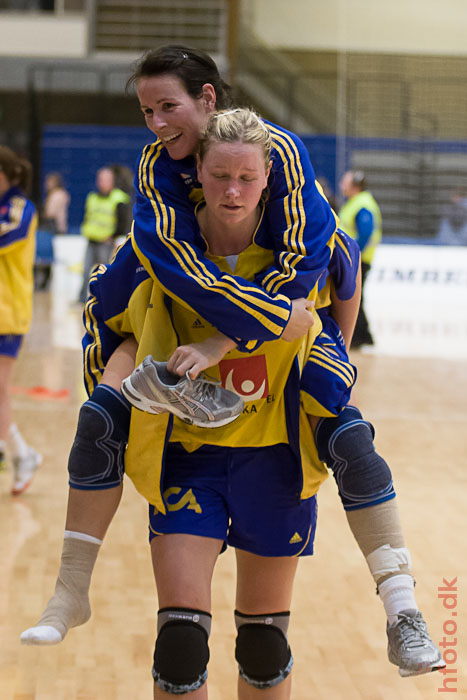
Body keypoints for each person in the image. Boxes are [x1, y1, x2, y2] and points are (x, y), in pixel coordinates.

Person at [21, 48, 443, 678]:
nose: (160, 123)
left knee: (268, 641)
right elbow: (115, 308)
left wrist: (307, 346)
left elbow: (339, 273)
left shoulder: (291, 187)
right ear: (200, 177)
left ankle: (402, 607)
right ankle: (70, 585)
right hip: (192, 458)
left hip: (271, 454)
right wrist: (139, 371)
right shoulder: (158, 217)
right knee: (180, 642)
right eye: (148, 111)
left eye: (170, 106)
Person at [0, 146, 42, 494]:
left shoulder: (19, 208)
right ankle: (17, 450)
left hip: (7, 314)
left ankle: (19, 452)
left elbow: (7, 236)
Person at [338, 169, 382, 348]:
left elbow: (365, 234)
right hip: (356, 259)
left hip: (358, 260)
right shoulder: (356, 202)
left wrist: (352, 255)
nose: (341, 185)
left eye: (345, 182)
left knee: (352, 297)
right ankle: (365, 335)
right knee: (357, 296)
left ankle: (358, 336)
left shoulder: (362, 204)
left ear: (354, 185)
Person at [78, 166, 131, 304]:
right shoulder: (92, 197)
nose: (102, 183)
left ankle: (105, 300)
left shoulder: (119, 198)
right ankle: (81, 299)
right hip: (91, 240)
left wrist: (113, 236)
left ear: (112, 181)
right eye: (100, 179)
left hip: (107, 242)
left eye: (106, 180)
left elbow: (123, 221)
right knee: (85, 271)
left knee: (105, 273)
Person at [34, 172, 70, 291]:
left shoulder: (57, 195)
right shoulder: (57, 194)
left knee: (45, 257)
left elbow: (50, 212)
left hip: (53, 227)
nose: (46, 184)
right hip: (53, 227)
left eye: (48, 182)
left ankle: (43, 284)